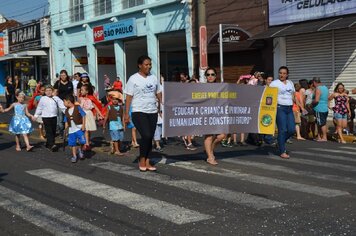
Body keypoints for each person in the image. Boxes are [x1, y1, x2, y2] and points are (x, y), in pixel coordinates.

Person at [124, 55, 162, 172]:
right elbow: (129, 97)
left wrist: (161, 106)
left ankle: (147, 160)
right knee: (146, 135)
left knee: (150, 137)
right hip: (138, 111)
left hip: (152, 111)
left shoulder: (153, 78)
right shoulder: (133, 79)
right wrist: (126, 114)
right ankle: (142, 158)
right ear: (140, 65)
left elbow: (158, 92)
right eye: (146, 64)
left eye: (150, 64)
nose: (149, 67)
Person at [270, 66, 296, 159]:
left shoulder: (290, 83)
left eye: (284, 73)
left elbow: (293, 95)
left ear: (287, 74)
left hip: (289, 108)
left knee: (292, 130)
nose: (282, 75)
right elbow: (269, 96)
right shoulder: (274, 83)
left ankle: (279, 142)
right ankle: (282, 151)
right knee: (283, 130)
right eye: (280, 73)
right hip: (280, 107)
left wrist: (300, 107)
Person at [203, 67, 226, 165]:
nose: (210, 76)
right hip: (206, 114)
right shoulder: (201, 87)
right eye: (208, 74)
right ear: (205, 77)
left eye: (212, 74)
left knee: (222, 135)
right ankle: (210, 157)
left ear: (216, 76)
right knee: (208, 136)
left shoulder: (220, 87)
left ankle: (210, 150)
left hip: (218, 115)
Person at [33, 85, 66, 152]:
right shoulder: (43, 98)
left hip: (54, 116)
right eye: (47, 91)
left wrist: (67, 113)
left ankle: (48, 144)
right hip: (45, 117)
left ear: (52, 91)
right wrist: (36, 115)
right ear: (45, 92)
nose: (48, 92)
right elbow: (39, 108)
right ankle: (52, 145)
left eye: (50, 90)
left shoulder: (56, 98)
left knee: (53, 131)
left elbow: (62, 106)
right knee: (49, 131)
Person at [78, 84, 104, 150]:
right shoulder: (80, 99)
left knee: (88, 130)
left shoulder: (90, 98)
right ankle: (86, 144)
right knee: (85, 130)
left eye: (82, 90)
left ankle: (87, 142)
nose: (81, 91)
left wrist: (100, 114)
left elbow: (95, 107)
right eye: (80, 90)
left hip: (89, 114)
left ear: (87, 91)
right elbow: (78, 107)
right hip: (83, 114)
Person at [63, 94, 86, 163]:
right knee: (73, 144)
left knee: (82, 141)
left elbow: (83, 115)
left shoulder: (77, 107)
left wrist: (83, 125)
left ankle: (80, 149)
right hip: (71, 130)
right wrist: (66, 130)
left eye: (64, 101)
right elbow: (66, 121)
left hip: (79, 128)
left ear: (68, 101)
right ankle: (74, 156)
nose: (63, 103)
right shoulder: (66, 111)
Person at [54, 69, 74, 138]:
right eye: (61, 75)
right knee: (60, 119)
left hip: (69, 103)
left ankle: (68, 132)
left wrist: (73, 102)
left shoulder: (70, 83)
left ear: (66, 75)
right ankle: (61, 132)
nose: (63, 76)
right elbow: (55, 92)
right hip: (60, 103)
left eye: (64, 75)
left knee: (68, 118)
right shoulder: (58, 83)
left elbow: (72, 93)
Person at [312, 77, 329, 142]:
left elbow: (316, 100)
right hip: (325, 108)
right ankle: (319, 137)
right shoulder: (325, 88)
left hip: (319, 108)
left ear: (314, 82)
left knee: (322, 124)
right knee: (320, 123)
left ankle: (324, 137)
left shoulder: (318, 89)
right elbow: (327, 98)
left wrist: (311, 103)